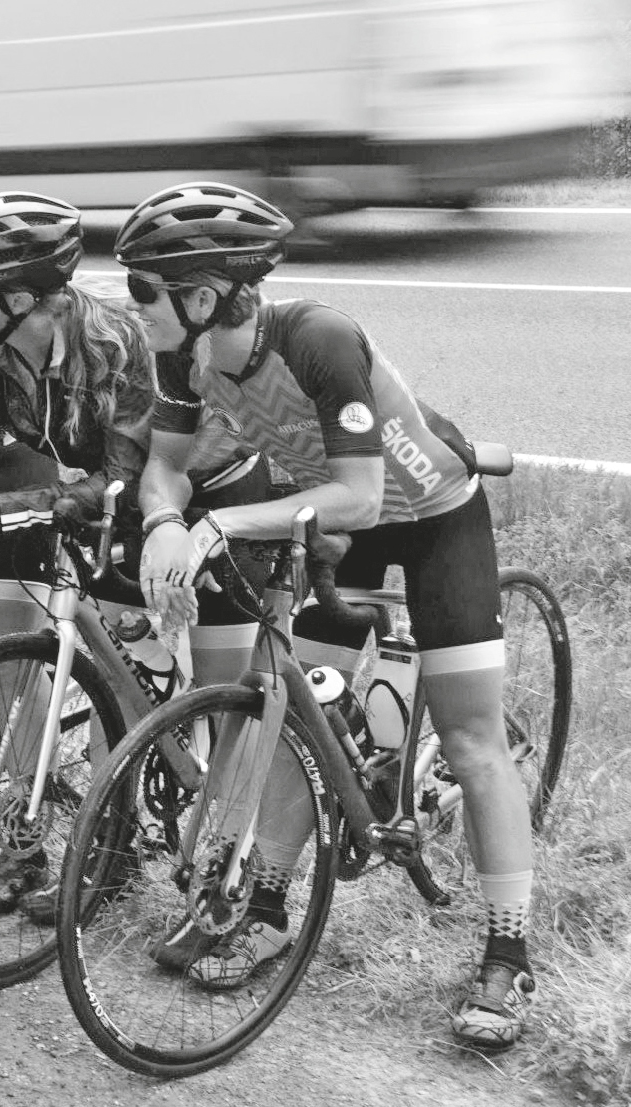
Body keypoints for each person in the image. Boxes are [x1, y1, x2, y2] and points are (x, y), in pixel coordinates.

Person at [122, 181, 534, 1050]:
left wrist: (218, 522)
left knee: (469, 739)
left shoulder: (319, 339)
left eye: (142, 292)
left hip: (428, 518)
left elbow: (360, 493)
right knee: (297, 706)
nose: (134, 309)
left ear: (201, 297)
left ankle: (508, 948)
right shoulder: (182, 354)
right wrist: (164, 520)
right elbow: (166, 468)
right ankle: (268, 904)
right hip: (334, 529)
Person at [0, 191, 267, 918]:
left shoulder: (118, 342)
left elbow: (121, 479)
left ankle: (138, 850)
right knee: (66, 656)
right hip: (103, 494)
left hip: (197, 491)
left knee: (144, 678)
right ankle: (29, 839)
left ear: (19, 295)